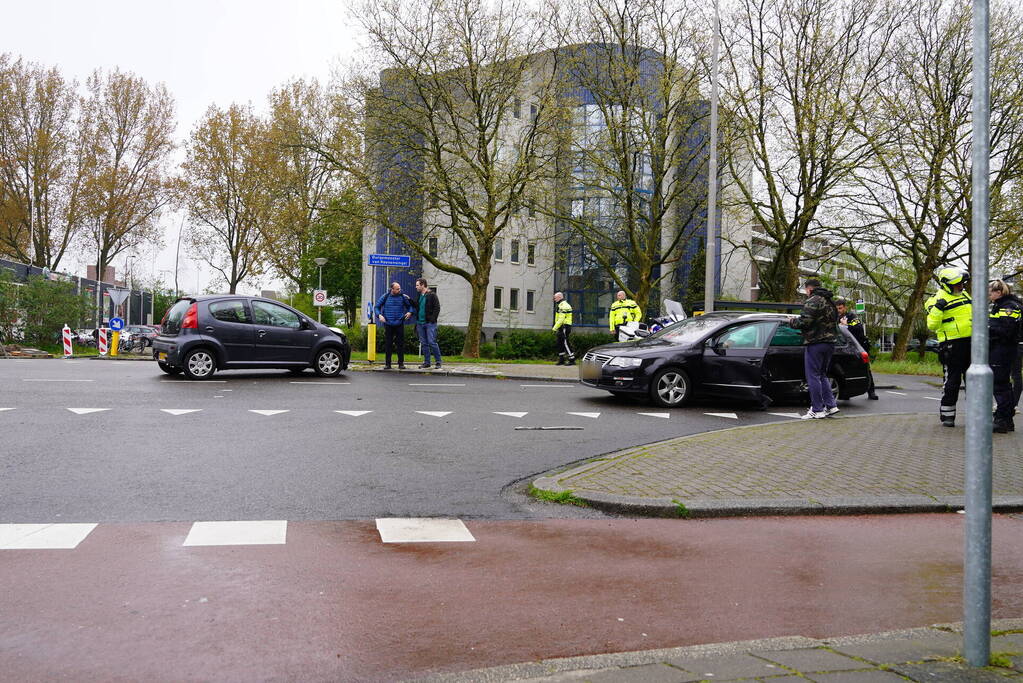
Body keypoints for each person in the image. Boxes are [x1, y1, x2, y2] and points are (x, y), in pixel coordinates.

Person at [925, 266, 972, 427]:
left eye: (962, 283)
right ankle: (947, 415)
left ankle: (975, 414)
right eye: (958, 284)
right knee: (952, 382)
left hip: (971, 343)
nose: (961, 286)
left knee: (973, 381)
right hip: (952, 345)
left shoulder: (964, 294)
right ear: (946, 284)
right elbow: (932, 325)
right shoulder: (934, 300)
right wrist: (938, 308)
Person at [788, 277, 840, 420]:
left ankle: (817, 409)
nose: (806, 293)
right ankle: (831, 405)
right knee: (822, 375)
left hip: (816, 343)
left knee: (813, 376)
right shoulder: (830, 301)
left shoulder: (813, 300)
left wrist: (792, 321)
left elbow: (805, 322)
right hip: (830, 343)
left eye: (806, 290)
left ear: (809, 288)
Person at [987, 280, 1022, 433]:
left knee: (1000, 385)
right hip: (1001, 348)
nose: (989, 294)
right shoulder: (1001, 305)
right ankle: (1007, 419)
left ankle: (1002, 420)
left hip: (1003, 349)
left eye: (990, 292)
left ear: (999, 292)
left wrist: (988, 328)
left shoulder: (1008, 307)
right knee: (1004, 385)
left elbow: (1007, 330)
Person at [834, 297, 879, 400]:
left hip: (858, 347)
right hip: (843, 348)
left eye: (840, 308)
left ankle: (871, 391)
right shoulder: (835, 318)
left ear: (845, 308)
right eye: (837, 309)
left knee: (865, 369)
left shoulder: (851, 317)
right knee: (844, 371)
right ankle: (846, 393)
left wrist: (846, 326)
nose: (839, 311)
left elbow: (858, 329)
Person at [375, 281, 414, 369]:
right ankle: (387, 364)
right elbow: (376, 307)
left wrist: (410, 312)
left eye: (400, 288)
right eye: (397, 289)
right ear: (392, 289)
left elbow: (410, 306)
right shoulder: (385, 296)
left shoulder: (402, 297)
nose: (400, 290)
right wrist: (379, 315)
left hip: (399, 323)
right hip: (388, 324)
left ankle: (401, 363)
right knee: (388, 344)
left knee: (400, 344)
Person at [410, 277, 442, 370]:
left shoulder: (432, 295)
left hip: (429, 323)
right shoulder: (419, 295)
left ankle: (438, 362)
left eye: (417, 285)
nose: (416, 287)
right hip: (420, 323)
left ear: (423, 285)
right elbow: (417, 305)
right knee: (424, 343)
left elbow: (437, 308)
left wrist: (432, 319)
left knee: (432, 342)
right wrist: (409, 300)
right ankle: (427, 362)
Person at [552, 292, 575, 366]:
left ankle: (572, 359)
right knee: (560, 343)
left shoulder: (564, 306)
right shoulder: (561, 305)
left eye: (555, 298)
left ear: (559, 297)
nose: (554, 299)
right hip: (561, 327)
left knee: (565, 343)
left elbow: (561, 319)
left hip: (565, 326)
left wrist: (554, 328)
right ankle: (561, 359)